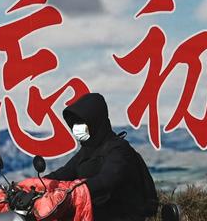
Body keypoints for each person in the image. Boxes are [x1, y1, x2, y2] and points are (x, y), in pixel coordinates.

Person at [44, 92, 159, 221]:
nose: (76, 127)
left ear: (95, 121)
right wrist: (34, 185)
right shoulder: (88, 150)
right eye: (75, 123)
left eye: (82, 122)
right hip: (94, 214)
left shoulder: (119, 150)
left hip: (123, 216)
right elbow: (63, 173)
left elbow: (106, 180)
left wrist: (75, 192)